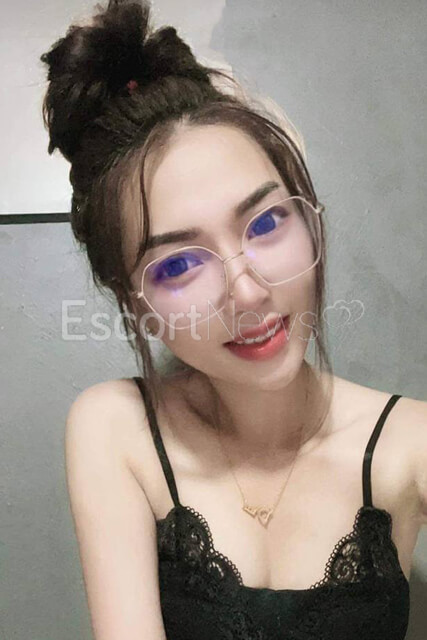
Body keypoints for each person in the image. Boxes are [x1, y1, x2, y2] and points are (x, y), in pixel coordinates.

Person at [40, 1, 427, 638]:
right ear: (135, 303)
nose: (247, 292)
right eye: (178, 264)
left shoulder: (408, 443)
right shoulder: (118, 430)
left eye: (267, 221)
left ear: (310, 219)